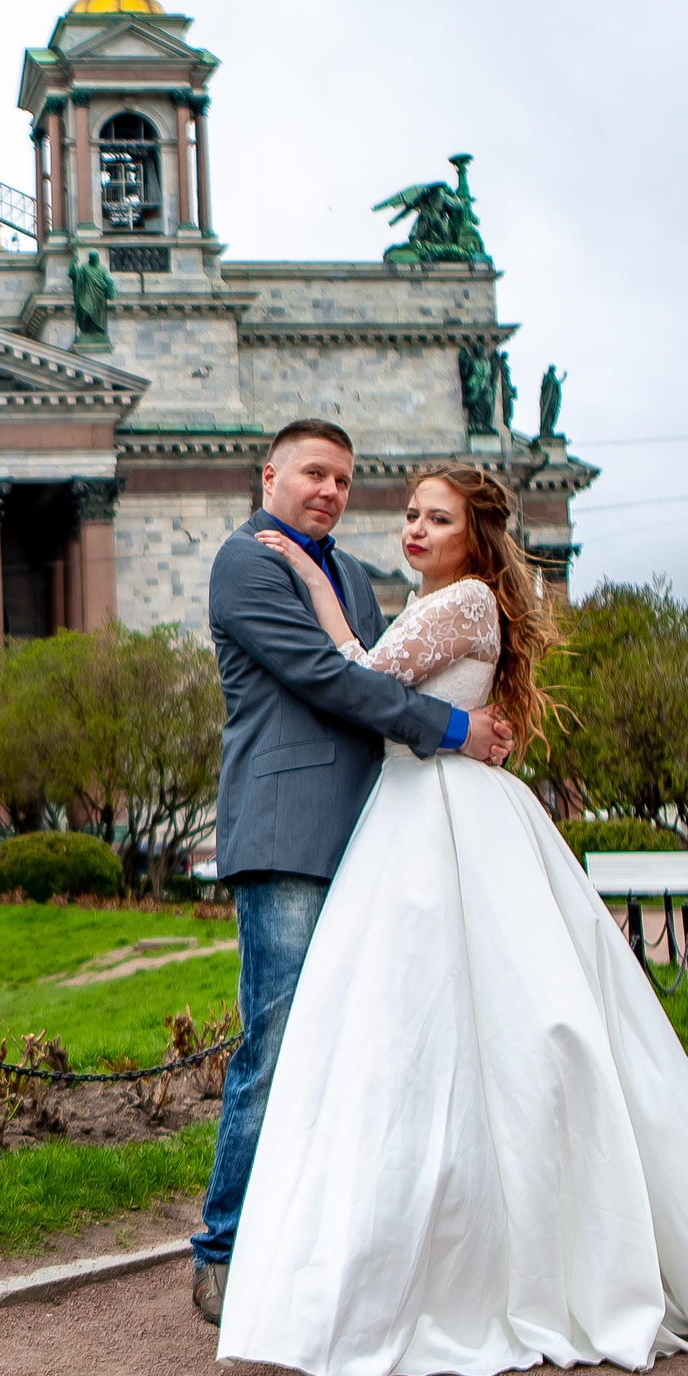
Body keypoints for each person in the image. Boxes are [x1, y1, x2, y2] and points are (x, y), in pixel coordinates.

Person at [216, 463, 688, 1376]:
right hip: (423, 816)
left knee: (463, 1033)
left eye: (436, 517)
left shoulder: (459, 605)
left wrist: (306, 573)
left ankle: (455, 1262)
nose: (413, 528)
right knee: (453, 1035)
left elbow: (360, 676)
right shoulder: (447, 605)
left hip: (441, 820)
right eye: (409, 512)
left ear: (473, 534)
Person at [192, 418, 513, 1325]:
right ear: (270, 475)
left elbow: (383, 678)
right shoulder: (247, 562)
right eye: (314, 474)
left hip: (371, 833)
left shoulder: (352, 576)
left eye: (343, 478)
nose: (331, 491)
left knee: (353, 1048)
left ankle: (308, 1245)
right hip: (290, 830)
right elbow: (332, 681)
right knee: (278, 1042)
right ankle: (221, 1248)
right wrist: (455, 730)